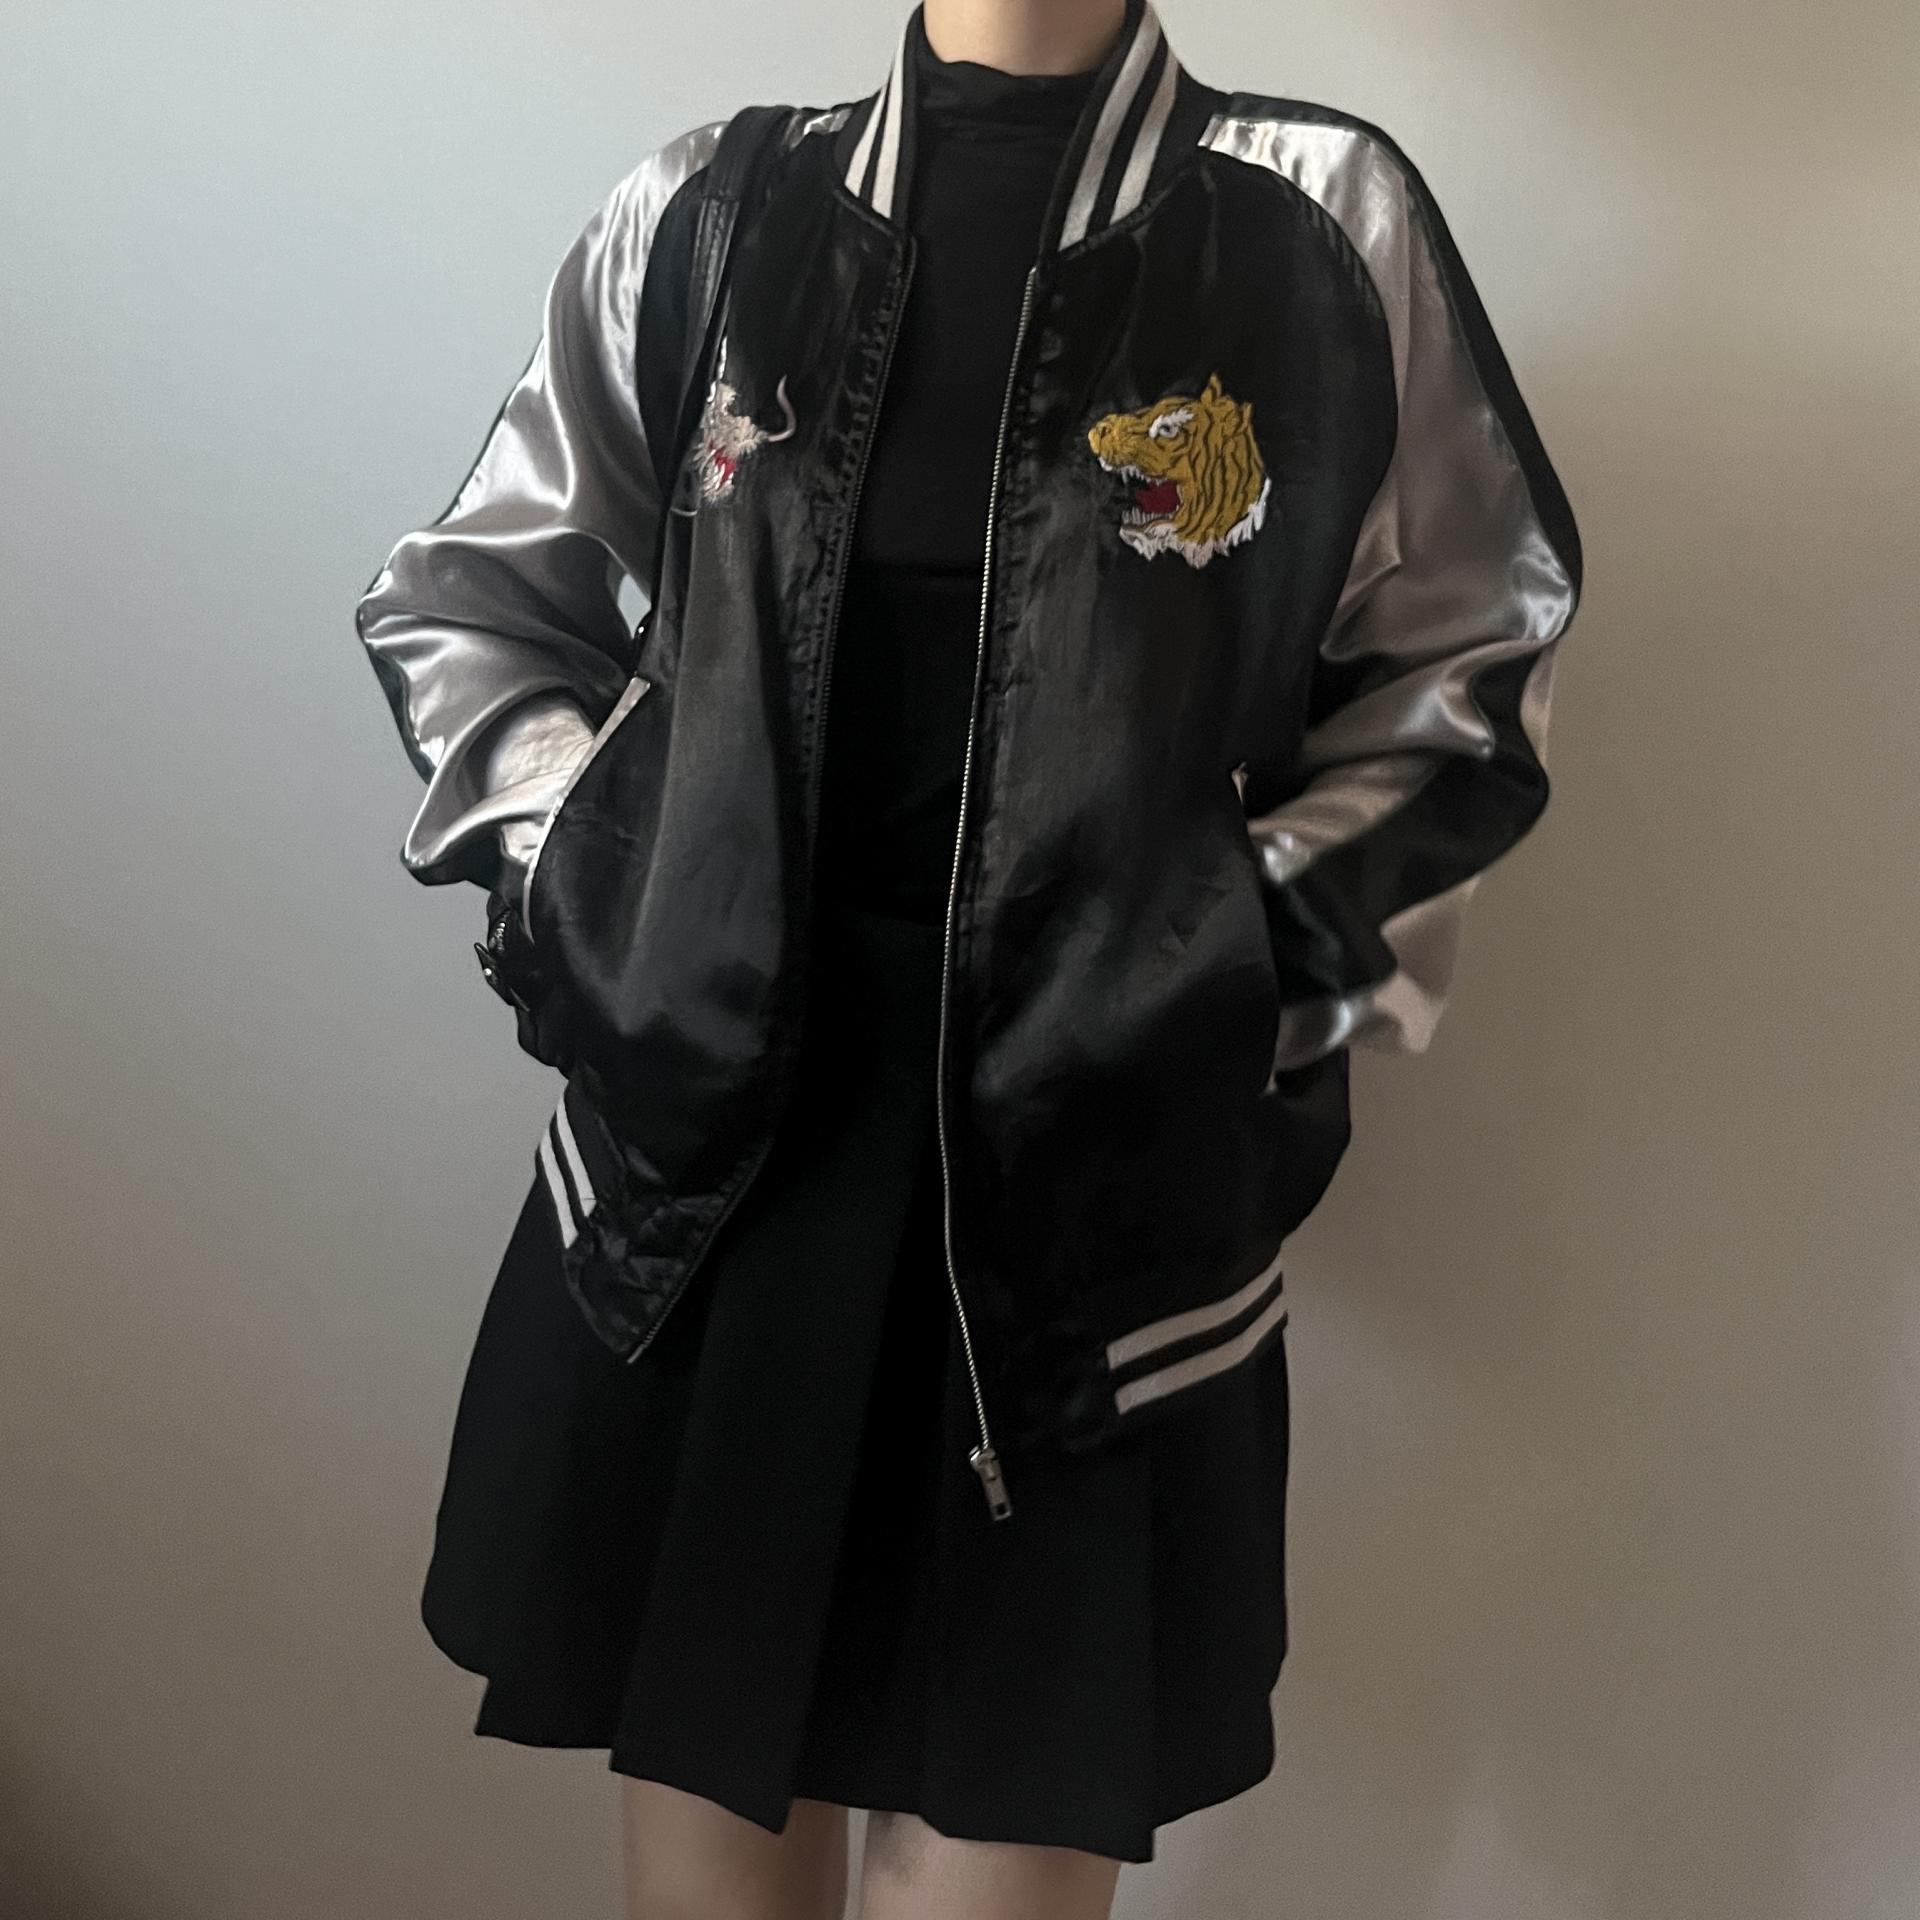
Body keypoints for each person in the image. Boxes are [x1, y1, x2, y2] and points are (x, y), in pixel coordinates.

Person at [353, 0, 1584, 1911]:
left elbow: (1469, 669)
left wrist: (1230, 968)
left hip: (1088, 1223)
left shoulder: (1311, 221)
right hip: (713, 1194)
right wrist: (598, 893)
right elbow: (472, 602)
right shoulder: (715, 213)